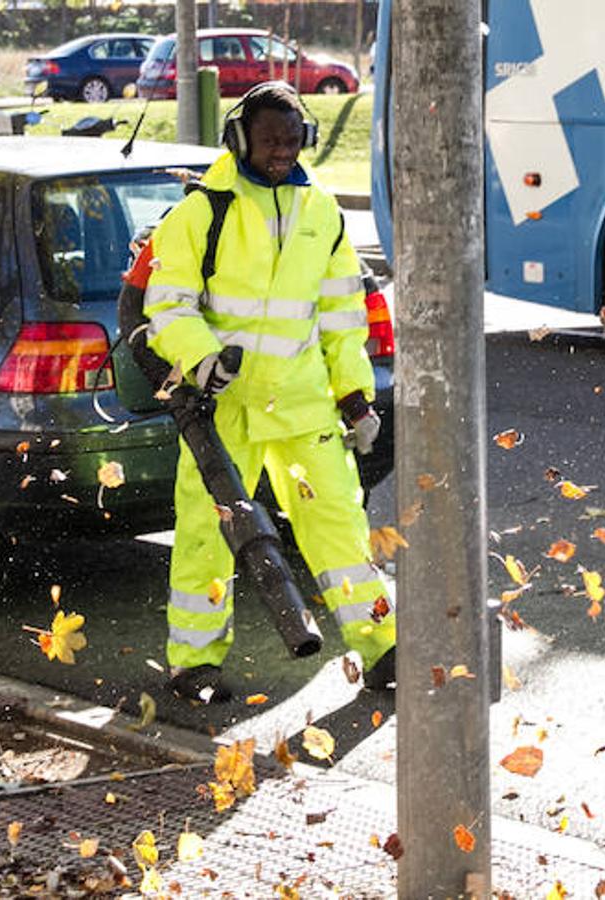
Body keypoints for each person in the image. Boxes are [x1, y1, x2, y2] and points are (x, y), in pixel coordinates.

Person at [141, 81, 396, 701]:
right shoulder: (201, 212)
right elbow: (167, 303)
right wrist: (202, 360)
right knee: (207, 534)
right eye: (269, 140)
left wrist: (355, 395)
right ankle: (194, 666)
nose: (282, 151)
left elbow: (341, 317)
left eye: (291, 140)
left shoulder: (324, 214)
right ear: (239, 140)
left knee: (339, 527)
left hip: (303, 404)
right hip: (222, 408)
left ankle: (383, 649)